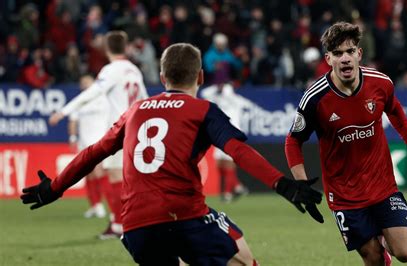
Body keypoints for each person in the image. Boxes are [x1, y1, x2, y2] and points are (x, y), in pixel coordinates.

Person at [21, 43, 323, 265]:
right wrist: (283, 185)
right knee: (240, 250)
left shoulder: (135, 110)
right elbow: (239, 152)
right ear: (201, 77)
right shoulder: (203, 110)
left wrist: (54, 188)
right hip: (185, 218)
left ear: (162, 78)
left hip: (136, 228)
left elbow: (94, 152)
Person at [285, 22, 407, 266]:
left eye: (350, 51)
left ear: (359, 54)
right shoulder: (315, 98)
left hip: (382, 186)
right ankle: (379, 250)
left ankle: (385, 241)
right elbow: (292, 141)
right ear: (328, 59)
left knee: (406, 251)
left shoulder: (380, 83)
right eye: (338, 53)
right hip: (344, 195)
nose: (345, 59)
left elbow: (394, 110)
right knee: (373, 259)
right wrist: (301, 183)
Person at [49, 31, 149, 239]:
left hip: (120, 130)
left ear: (106, 49)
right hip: (136, 129)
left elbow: (92, 92)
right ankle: (123, 222)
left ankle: (120, 225)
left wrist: (64, 111)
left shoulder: (111, 70)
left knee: (112, 176)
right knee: (124, 177)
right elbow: (145, 99)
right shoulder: (134, 70)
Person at [201, 83, 250, 202]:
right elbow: (204, 93)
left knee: (228, 162)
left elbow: (247, 105)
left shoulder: (236, 100)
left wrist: (225, 90)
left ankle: (228, 193)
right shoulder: (217, 100)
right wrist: (216, 87)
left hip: (232, 134)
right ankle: (238, 186)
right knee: (220, 163)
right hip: (220, 134)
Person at [68, 74, 109, 218]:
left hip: (100, 141)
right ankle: (95, 205)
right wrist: (73, 137)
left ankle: (105, 205)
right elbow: (73, 120)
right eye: (82, 82)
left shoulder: (103, 99)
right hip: (84, 142)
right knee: (88, 173)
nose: (85, 84)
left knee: (99, 172)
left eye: (87, 82)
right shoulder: (80, 102)